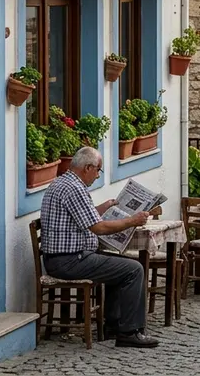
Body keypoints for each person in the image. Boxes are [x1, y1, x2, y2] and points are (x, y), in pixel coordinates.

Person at [39, 147, 158, 348]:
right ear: (87, 167)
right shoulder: (74, 188)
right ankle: (129, 332)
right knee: (134, 270)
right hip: (69, 261)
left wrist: (105, 207)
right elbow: (99, 228)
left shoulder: (63, 182)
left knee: (120, 266)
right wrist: (132, 221)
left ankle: (114, 325)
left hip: (65, 258)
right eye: (98, 170)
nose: (97, 176)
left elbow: (81, 216)